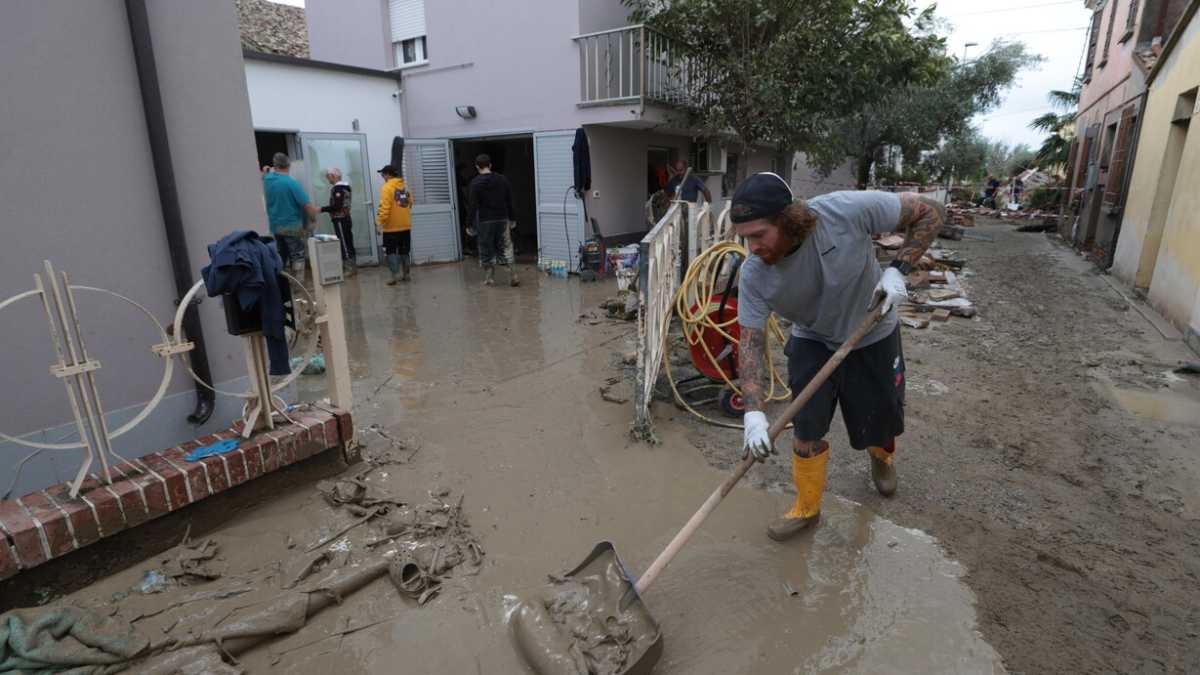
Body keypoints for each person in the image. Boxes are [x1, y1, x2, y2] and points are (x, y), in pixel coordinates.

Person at [732, 172, 943, 541]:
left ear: (787, 219)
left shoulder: (845, 211)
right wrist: (753, 412)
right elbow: (749, 342)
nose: (751, 247)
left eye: (758, 235)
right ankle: (807, 508)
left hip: (872, 328)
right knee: (806, 428)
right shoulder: (754, 276)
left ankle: (881, 458)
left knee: (879, 420)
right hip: (813, 337)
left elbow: (931, 212)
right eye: (744, 238)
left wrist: (899, 269)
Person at [261, 153, 318, 275]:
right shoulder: (291, 183)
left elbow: (265, 173)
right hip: (291, 226)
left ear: (275, 165)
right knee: (297, 255)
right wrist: (313, 221)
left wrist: (266, 170)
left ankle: (281, 283)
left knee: (281, 255)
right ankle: (298, 283)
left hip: (275, 227)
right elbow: (307, 206)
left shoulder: (267, 180)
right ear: (288, 165)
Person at [466, 154, 519, 287]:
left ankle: (489, 279)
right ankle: (513, 275)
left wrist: (468, 224)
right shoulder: (503, 180)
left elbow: (472, 206)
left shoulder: (475, 183)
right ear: (490, 165)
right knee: (506, 247)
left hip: (485, 221)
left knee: (486, 248)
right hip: (502, 219)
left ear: (477, 167)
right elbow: (509, 201)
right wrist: (512, 218)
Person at [375, 165, 414, 285]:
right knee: (404, 251)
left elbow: (385, 208)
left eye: (383, 174)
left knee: (391, 251)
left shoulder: (387, 188)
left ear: (387, 175)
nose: (382, 177)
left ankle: (393, 277)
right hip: (405, 226)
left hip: (391, 228)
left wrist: (379, 223)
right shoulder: (404, 187)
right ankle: (406, 275)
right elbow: (410, 203)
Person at [320, 167, 355, 275]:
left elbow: (337, 206)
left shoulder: (338, 189)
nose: (328, 179)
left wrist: (321, 209)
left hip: (340, 219)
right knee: (348, 241)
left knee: (344, 242)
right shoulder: (346, 186)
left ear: (334, 176)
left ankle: (349, 268)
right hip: (346, 217)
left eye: (328, 177)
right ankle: (353, 266)